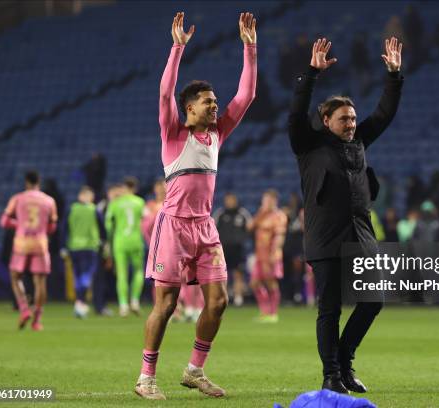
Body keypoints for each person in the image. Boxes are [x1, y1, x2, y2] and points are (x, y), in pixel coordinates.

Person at [135, 11, 257, 400]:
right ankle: (146, 378)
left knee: (218, 302)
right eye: (207, 102)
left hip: (205, 226)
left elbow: (247, 95)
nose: (215, 106)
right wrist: (177, 48)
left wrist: (250, 47)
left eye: (215, 101)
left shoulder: (217, 134)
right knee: (167, 303)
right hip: (173, 225)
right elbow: (164, 92)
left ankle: (194, 370)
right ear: (189, 108)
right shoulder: (173, 132)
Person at [288, 37, 403, 393]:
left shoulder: (359, 142)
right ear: (326, 120)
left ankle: (344, 361)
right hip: (326, 238)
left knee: (373, 301)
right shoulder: (309, 144)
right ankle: (331, 375)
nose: (352, 123)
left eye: (353, 118)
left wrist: (394, 76)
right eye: (344, 119)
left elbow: (383, 114)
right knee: (330, 310)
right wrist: (311, 74)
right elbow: (295, 112)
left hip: (361, 235)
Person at [0, 171, 58, 331]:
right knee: (40, 281)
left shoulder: (18, 198)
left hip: (22, 243)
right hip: (40, 243)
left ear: (26, 182)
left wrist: (19, 224)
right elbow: (52, 226)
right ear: (39, 182)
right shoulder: (49, 200)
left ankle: (24, 309)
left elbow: (4, 221)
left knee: (15, 276)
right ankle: (37, 320)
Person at [105, 177, 145, 317]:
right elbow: (145, 222)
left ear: (124, 187)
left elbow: (108, 225)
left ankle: (123, 305)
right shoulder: (140, 202)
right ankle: (134, 301)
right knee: (139, 271)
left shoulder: (115, 203)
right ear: (135, 188)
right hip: (136, 240)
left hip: (120, 241)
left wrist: (109, 240)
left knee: (122, 274)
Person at [248, 189, 287, 322]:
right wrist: (260, 213)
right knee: (254, 283)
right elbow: (250, 227)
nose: (266, 202)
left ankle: (273, 313)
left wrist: (274, 252)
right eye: (264, 200)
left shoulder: (279, 216)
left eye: (269, 200)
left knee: (271, 282)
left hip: (272, 255)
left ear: (275, 201)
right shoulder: (261, 214)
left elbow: (279, 236)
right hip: (260, 255)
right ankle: (265, 311)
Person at [63, 186, 102, 318]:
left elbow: (64, 228)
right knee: (86, 276)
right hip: (90, 247)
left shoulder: (72, 209)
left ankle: (79, 303)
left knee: (77, 275)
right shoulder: (94, 209)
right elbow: (102, 228)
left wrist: (63, 246)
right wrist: (103, 241)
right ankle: (81, 303)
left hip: (74, 247)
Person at [213, 192, 251, 307]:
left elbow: (250, 227)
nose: (230, 202)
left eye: (232, 200)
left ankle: (238, 298)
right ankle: (223, 298)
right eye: (228, 200)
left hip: (238, 249)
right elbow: (213, 229)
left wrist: (241, 240)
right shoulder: (220, 213)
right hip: (223, 249)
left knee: (238, 274)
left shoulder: (242, 213)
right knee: (222, 275)